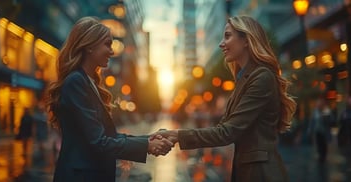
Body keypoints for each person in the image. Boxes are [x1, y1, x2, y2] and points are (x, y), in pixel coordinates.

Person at [151, 16, 297, 182]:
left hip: (261, 173)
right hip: (250, 170)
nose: (221, 44)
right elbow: (224, 128)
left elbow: (227, 132)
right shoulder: (245, 78)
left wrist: (177, 135)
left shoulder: (261, 77)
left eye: (227, 36)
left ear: (246, 40)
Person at [46, 16, 173, 182]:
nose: (112, 51)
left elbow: (109, 135)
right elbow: (99, 142)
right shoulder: (76, 82)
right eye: (107, 44)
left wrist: (148, 139)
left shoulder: (87, 82)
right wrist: (147, 146)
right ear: (90, 46)